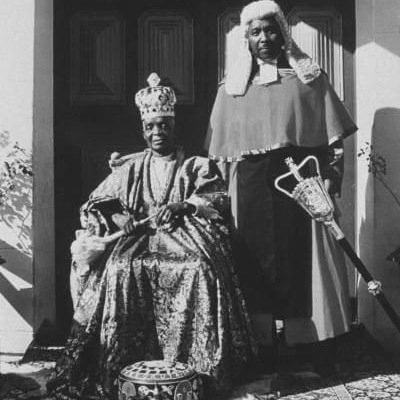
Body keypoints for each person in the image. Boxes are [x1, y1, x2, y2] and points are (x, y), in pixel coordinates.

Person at [47, 73, 256, 399]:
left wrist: (183, 205)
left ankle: (198, 365)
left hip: (185, 235)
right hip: (137, 238)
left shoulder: (194, 165)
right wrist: (119, 215)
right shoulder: (129, 167)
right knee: (118, 269)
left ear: (173, 126)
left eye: (163, 126)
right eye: (150, 127)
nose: (157, 133)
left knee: (200, 268)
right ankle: (124, 361)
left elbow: (216, 199)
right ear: (143, 130)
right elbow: (95, 202)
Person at [204, 0, 358, 373]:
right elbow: (221, 156)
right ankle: (260, 346)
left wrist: (329, 180)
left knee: (301, 262)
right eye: (255, 32)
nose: (264, 38)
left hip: (299, 184)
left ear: (283, 32)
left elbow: (332, 142)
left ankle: (307, 346)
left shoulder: (309, 80)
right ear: (246, 40)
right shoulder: (232, 90)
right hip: (251, 188)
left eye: (270, 29)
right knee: (253, 263)